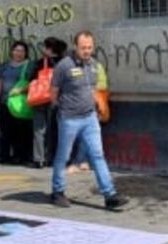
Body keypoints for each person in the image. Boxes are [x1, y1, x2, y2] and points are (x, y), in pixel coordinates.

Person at [49, 32, 129, 212]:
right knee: (63, 156)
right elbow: (53, 91)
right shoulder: (64, 65)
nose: (86, 51)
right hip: (69, 118)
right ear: (75, 47)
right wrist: (60, 108)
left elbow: (92, 90)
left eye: (89, 47)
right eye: (83, 47)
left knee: (97, 155)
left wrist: (98, 106)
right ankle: (57, 191)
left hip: (90, 118)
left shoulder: (94, 65)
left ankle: (110, 195)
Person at [0, 41, 33, 165]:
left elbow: (33, 83)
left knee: (20, 131)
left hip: (20, 103)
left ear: (26, 53)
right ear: (12, 51)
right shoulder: (5, 65)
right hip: (5, 101)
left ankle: (20, 156)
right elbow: (0, 82)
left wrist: (21, 90)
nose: (19, 53)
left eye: (22, 51)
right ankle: (4, 155)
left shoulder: (29, 65)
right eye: (16, 50)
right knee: (6, 130)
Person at [30, 37, 67, 168]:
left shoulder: (41, 63)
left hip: (39, 98)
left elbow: (32, 79)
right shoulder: (65, 63)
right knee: (54, 129)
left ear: (50, 49)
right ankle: (52, 157)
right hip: (57, 99)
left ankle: (38, 158)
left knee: (39, 129)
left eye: (45, 47)